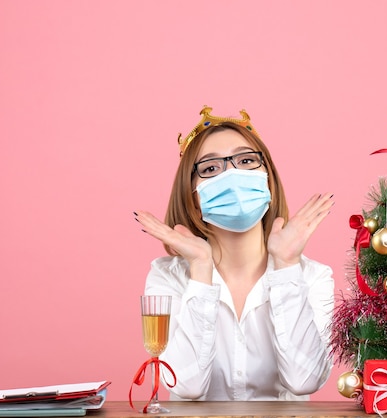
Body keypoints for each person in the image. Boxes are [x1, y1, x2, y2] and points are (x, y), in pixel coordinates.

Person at [134, 106, 335, 401]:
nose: (233, 175)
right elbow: (184, 386)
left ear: (268, 175)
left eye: (246, 160)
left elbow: (305, 381)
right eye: (211, 168)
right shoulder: (167, 277)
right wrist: (201, 270)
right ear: (191, 192)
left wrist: (287, 266)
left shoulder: (313, 277)